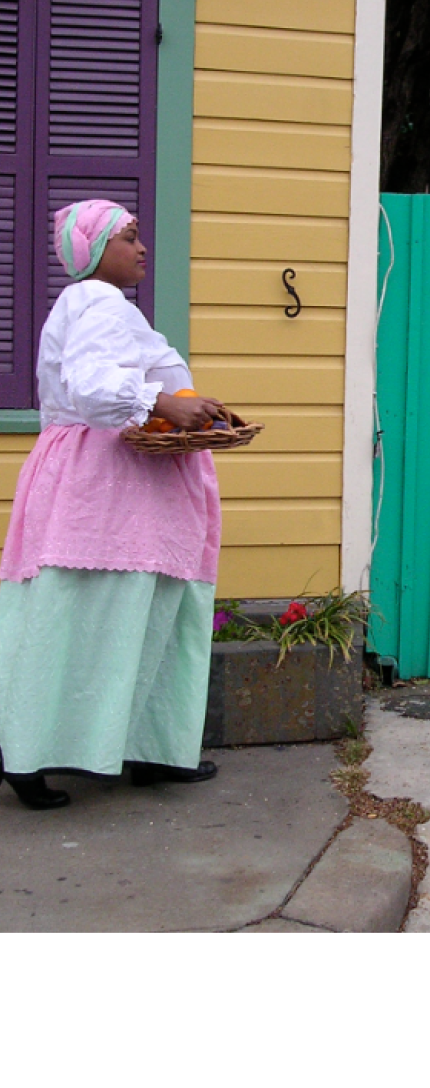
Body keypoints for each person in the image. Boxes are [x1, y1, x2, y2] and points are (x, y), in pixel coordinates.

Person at [0, 200, 224, 811]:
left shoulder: (115, 309)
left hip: (128, 487)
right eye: (129, 237)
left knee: (141, 614)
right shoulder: (94, 301)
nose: (142, 246)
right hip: (102, 486)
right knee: (83, 616)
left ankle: (152, 749)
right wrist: (164, 402)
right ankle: (26, 757)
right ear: (96, 252)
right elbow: (91, 386)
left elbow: (149, 381)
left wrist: (189, 402)